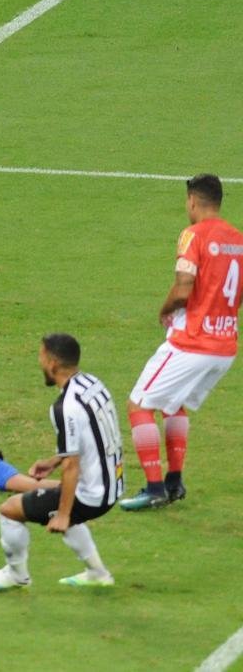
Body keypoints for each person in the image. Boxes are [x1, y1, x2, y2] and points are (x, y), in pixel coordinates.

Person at [119, 174, 243, 511]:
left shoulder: (193, 235)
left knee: (138, 405)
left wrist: (165, 309)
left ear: (192, 200)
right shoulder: (238, 240)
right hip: (225, 346)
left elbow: (184, 286)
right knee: (174, 404)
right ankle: (174, 483)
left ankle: (154, 488)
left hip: (193, 343)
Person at [0, 333, 123, 592]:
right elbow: (94, 436)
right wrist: (54, 461)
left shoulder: (65, 407)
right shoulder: (92, 383)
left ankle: (16, 575)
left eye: (41, 357)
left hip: (92, 493)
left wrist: (63, 515)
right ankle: (97, 573)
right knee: (60, 503)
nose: (39, 363)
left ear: (53, 363)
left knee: (10, 510)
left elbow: (72, 466)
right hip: (113, 483)